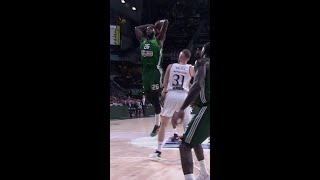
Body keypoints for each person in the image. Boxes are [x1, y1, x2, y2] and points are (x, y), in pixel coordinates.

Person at [172, 42, 211, 180]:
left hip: (208, 109)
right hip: (202, 107)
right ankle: (204, 174)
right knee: (195, 139)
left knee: (185, 145)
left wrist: (181, 109)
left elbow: (197, 86)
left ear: (205, 52)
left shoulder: (203, 63)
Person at [150, 49, 195, 159]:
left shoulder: (171, 66)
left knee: (163, 125)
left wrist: (164, 89)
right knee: (187, 125)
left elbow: (165, 81)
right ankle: (189, 151)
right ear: (188, 58)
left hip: (171, 95)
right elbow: (196, 81)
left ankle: (158, 151)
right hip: (184, 96)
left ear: (180, 56)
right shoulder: (191, 68)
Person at [135, 19, 169, 137]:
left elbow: (166, 24)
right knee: (148, 96)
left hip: (156, 72)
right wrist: (148, 24)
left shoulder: (159, 40)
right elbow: (137, 29)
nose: (149, 29)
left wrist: (160, 22)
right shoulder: (143, 40)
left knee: (155, 95)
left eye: (151, 29)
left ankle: (157, 123)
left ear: (155, 31)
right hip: (146, 73)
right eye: (148, 29)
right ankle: (159, 107)